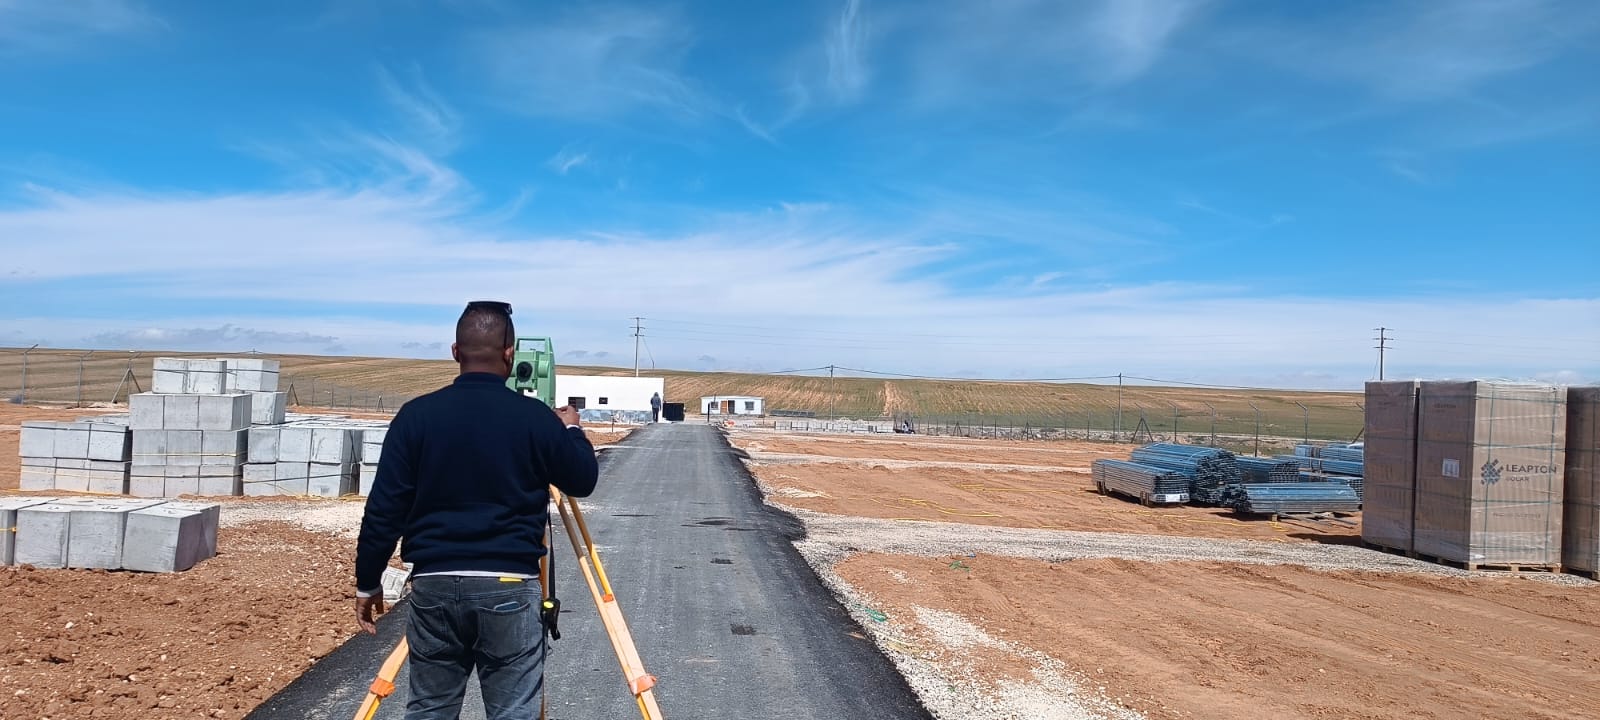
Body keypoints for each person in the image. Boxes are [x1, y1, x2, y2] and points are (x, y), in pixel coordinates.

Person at [354, 300, 599, 720]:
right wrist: (572, 429)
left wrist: (367, 582)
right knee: (512, 712)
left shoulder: (415, 417)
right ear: (510, 354)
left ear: (455, 351)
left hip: (434, 585)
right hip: (509, 585)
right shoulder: (535, 419)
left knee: (430, 709)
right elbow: (582, 479)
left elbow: (384, 509)